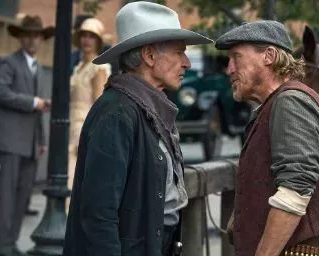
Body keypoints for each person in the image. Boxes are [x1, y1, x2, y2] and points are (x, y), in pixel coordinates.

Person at [62, 2, 212, 256]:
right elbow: (99, 213)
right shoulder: (117, 112)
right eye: (178, 52)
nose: (186, 62)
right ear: (149, 56)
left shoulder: (147, 107)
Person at [215, 20, 319, 256]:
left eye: (237, 57)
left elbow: (295, 190)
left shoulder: (291, 102)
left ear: (269, 55)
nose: (230, 69)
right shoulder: (277, 103)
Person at [0, 15, 53, 256]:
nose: (32, 40)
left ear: (41, 39)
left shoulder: (37, 68)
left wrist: (42, 140)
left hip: (30, 142)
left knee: (22, 196)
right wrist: (33, 102)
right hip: (10, 140)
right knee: (6, 197)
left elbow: (39, 110)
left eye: (36, 35)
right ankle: (0, 246)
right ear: (20, 37)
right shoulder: (10, 63)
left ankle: (10, 244)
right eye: (27, 35)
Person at [68, 17, 111, 191]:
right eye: (84, 35)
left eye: (92, 36)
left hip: (85, 125)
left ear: (98, 41)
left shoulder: (99, 67)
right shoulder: (78, 66)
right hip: (70, 124)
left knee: (77, 176)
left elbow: (99, 103)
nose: (87, 40)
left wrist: (91, 133)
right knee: (69, 174)